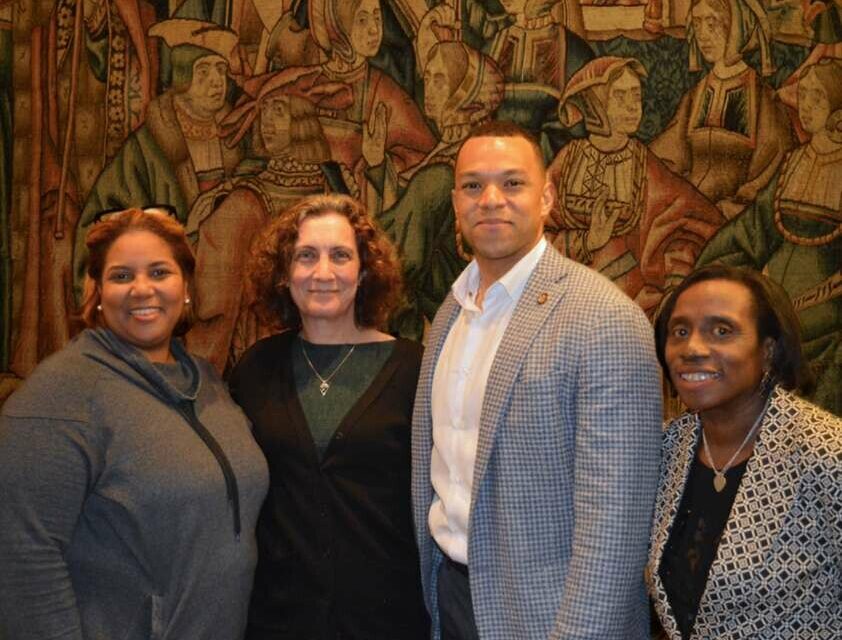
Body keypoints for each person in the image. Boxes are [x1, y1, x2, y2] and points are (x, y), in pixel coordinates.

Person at [411, 121, 663, 640]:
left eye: (513, 183)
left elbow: (615, 521)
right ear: (456, 203)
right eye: (473, 186)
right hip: (453, 597)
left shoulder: (604, 319)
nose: (492, 199)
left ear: (546, 196)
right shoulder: (450, 316)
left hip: (550, 616)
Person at [0, 208, 269, 640]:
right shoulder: (61, 393)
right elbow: (21, 557)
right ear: (98, 292)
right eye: (122, 276)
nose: (142, 289)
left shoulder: (209, 383)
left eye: (159, 272)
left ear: (185, 287)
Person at [229, 194, 430, 639]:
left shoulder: (416, 369)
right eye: (305, 256)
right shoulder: (255, 369)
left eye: (340, 255)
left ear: (364, 270)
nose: (323, 273)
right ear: (284, 274)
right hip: (278, 618)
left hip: (389, 619)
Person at [647, 265, 842, 638]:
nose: (693, 348)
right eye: (680, 331)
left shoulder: (826, 455)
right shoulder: (669, 447)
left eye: (722, 331)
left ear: (767, 351)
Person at [696, 58, 842, 416]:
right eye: (803, 96)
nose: (806, 107)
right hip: (778, 296)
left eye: (817, 99)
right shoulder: (794, 162)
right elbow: (753, 230)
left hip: (826, 304)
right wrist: (708, 269)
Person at [548, 56, 724, 317]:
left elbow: (688, 223)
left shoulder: (646, 166)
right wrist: (587, 241)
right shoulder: (568, 160)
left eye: (636, 96)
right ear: (594, 104)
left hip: (630, 303)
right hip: (565, 297)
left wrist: (674, 280)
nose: (633, 107)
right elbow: (530, 237)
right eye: (620, 97)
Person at [650, 0, 793, 220]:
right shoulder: (695, 95)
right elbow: (668, 155)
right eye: (697, 24)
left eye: (712, 23)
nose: (702, 35)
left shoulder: (763, 99)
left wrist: (730, 209)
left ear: (738, 27)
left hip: (734, 221)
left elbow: (771, 171)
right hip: (686, 210)